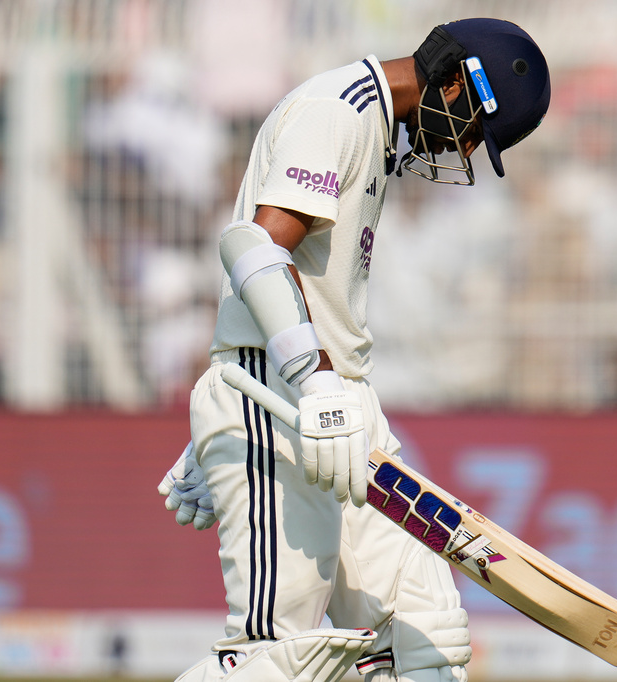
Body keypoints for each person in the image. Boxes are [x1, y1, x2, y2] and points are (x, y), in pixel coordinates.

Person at [159, 18, 551, 682]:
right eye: (473, 130)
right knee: (274, 656)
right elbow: (252, 248)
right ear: (455, 82)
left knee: (426, 637)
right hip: (288, 401)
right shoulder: (337, 113)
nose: (462, 148)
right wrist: (292, 387)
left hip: (335, 406)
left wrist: (317, 392)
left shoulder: (369, 127)